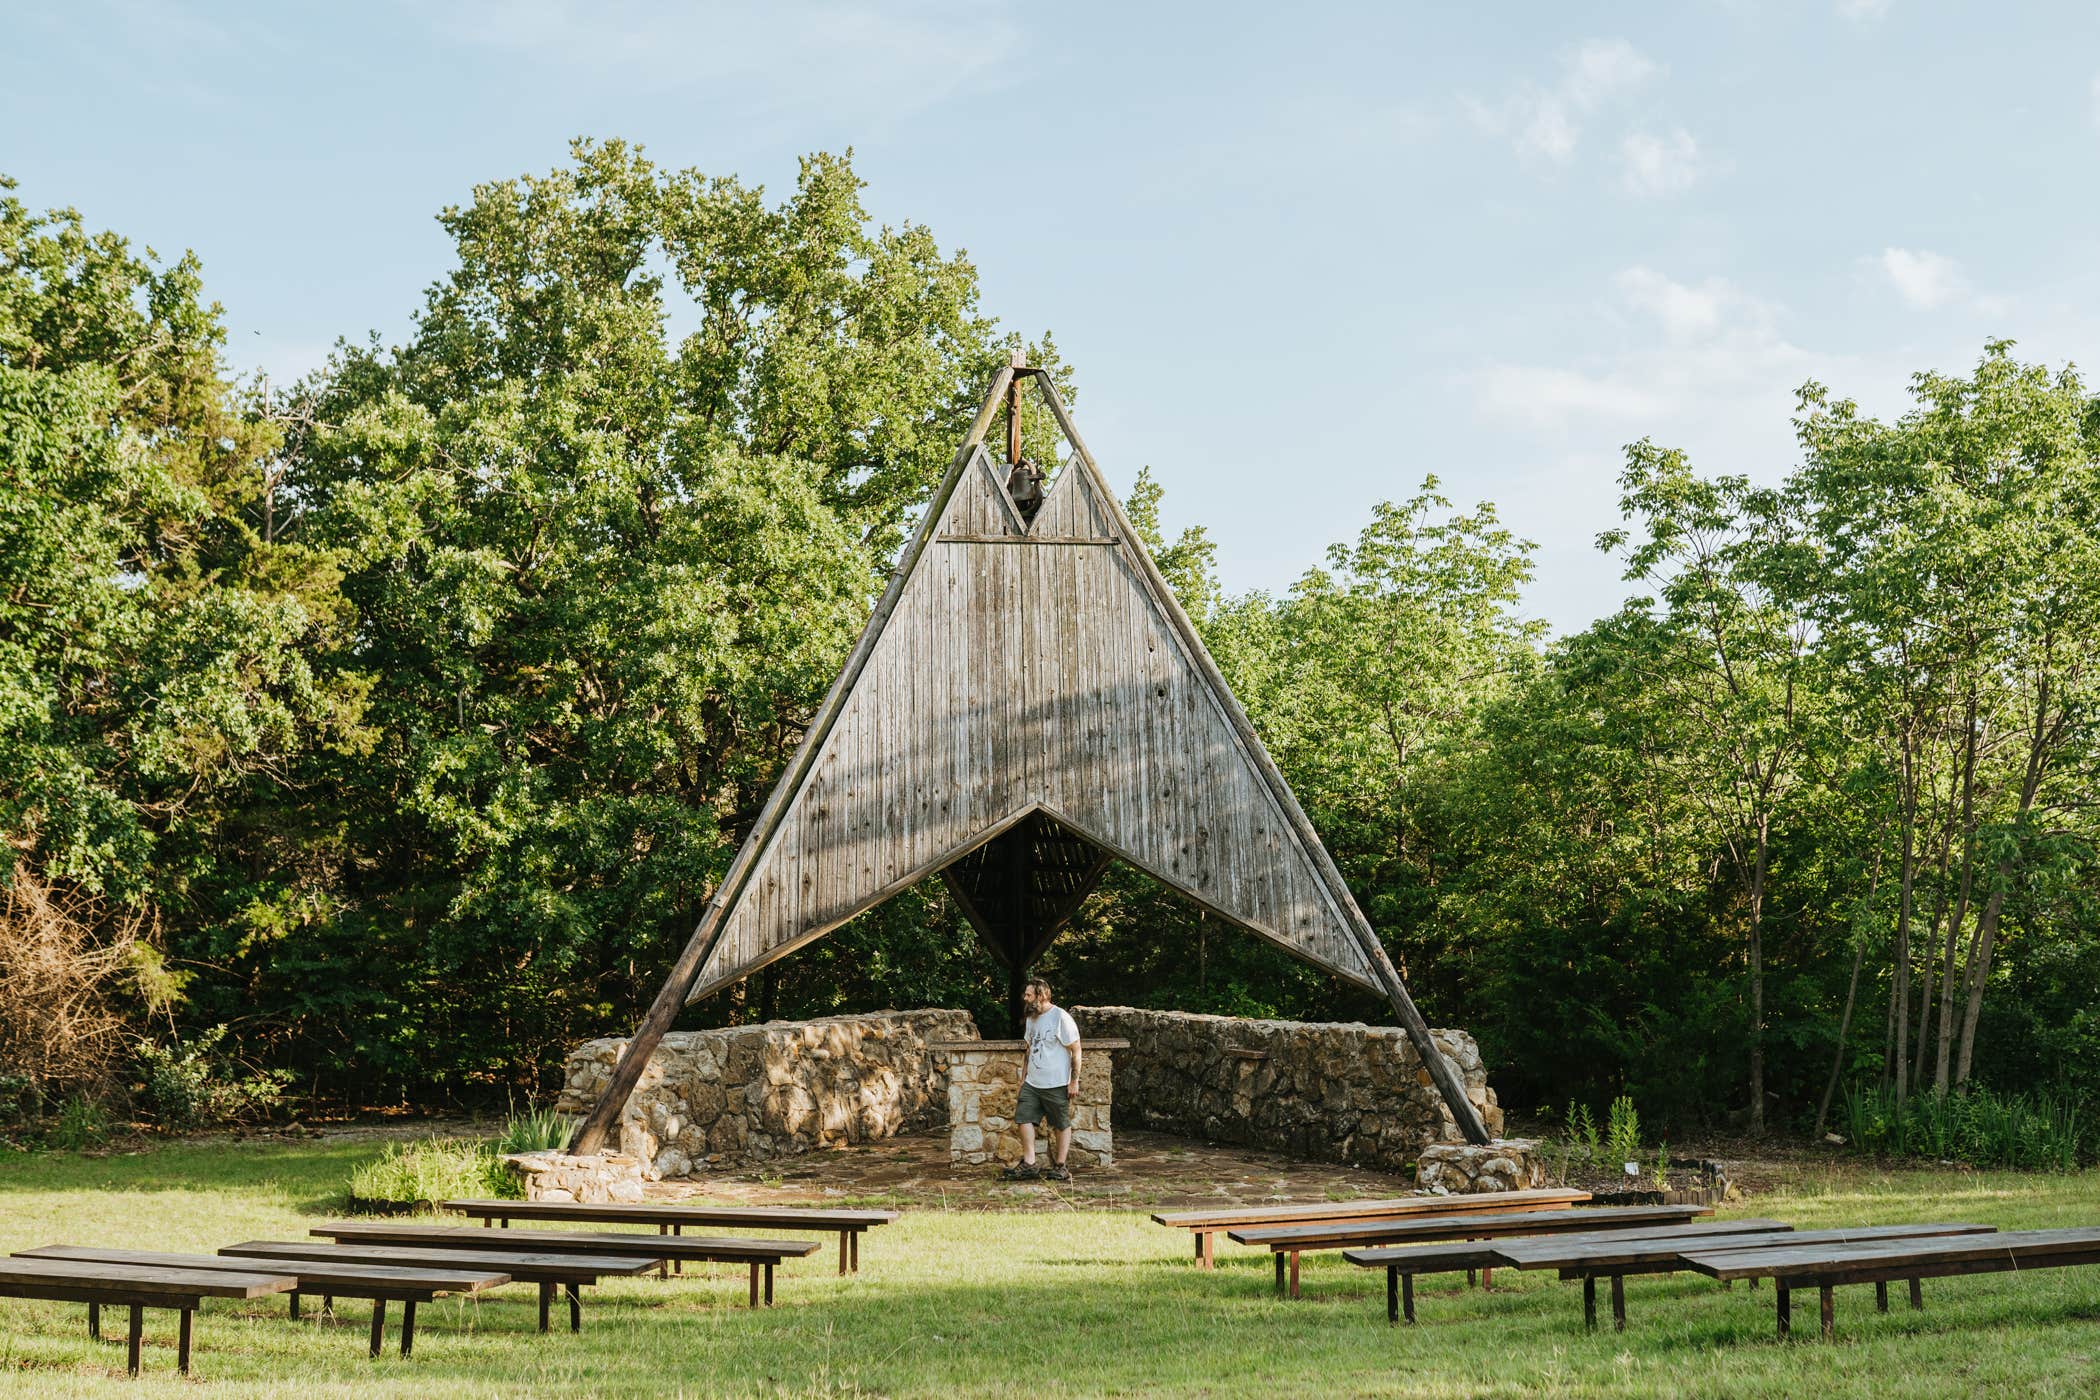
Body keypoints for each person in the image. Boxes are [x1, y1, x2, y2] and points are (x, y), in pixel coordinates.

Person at [1001, 977, 1080, 1181]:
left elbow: (1076, 1049)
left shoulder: (1060, 1017)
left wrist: (1074, 1081)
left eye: (1028, 995)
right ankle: (1030, 1164)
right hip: (1032, 1083)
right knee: (1023, 1118)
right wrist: (1023, 1078)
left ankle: (1061, 1166)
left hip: (1056, 1083)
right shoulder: (1032, 1017)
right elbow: (1029, 1050)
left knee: (1061, 1124)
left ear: (1041, 995)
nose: (1024, 998)